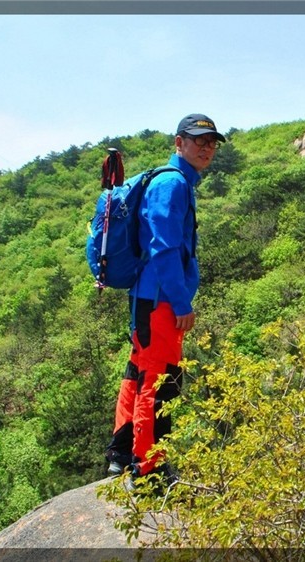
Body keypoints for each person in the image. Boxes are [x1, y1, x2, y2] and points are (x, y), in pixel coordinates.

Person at [105, 114, 225, 485]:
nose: (206, 148)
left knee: (138, 374)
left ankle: (122, 454)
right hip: (160, 301)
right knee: (161, 383)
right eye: (197, 140)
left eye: (211, 142)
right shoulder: (172, 184)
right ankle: (149, 470)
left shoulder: (173, 181)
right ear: (179, 143)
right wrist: (181, 301)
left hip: (147, 298)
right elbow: (164, 248)